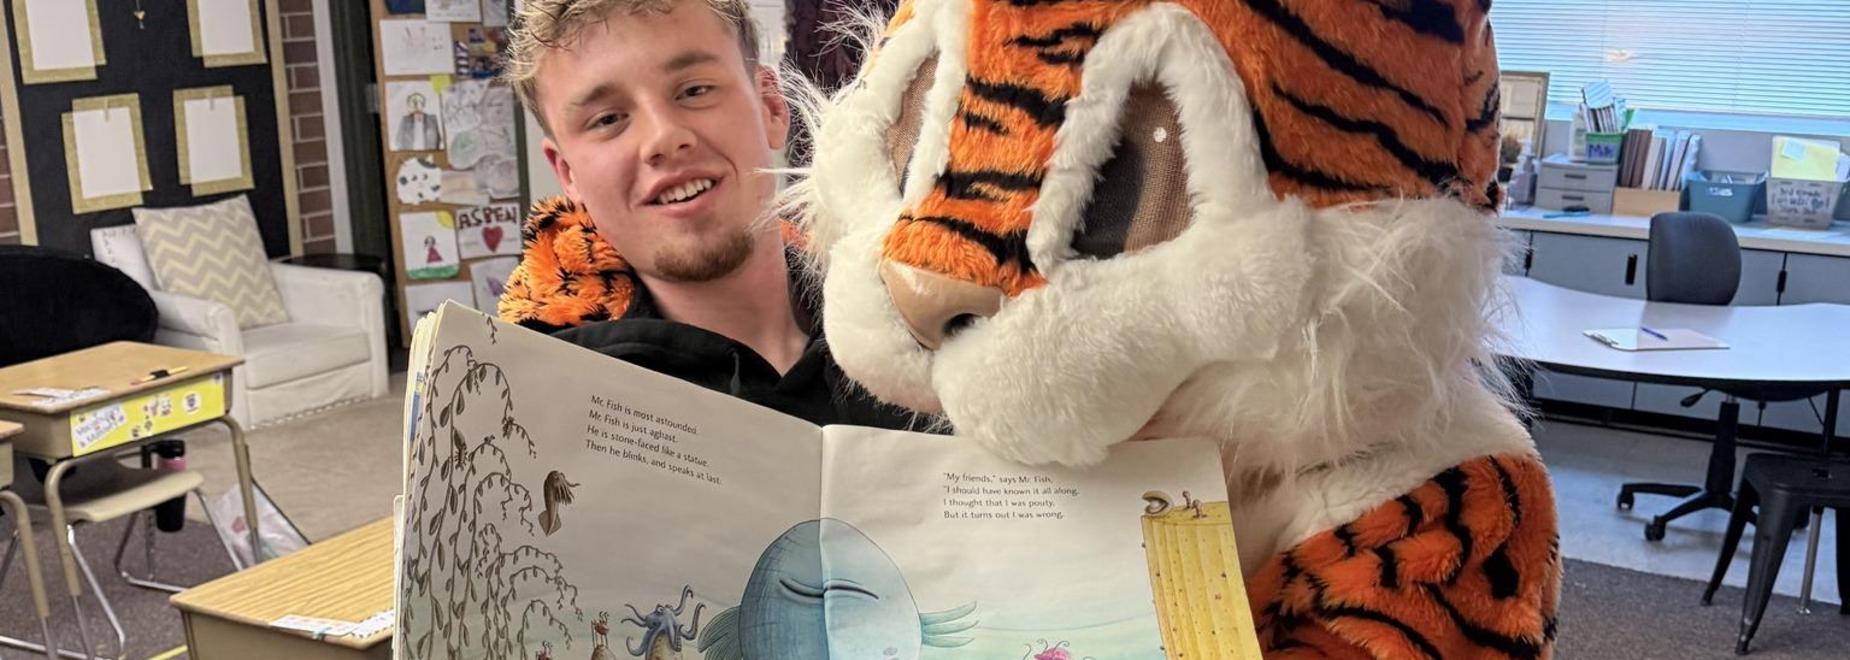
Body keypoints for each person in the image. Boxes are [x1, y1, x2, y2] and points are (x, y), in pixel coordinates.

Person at [500, 0, 918, 430]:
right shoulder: (536, 414)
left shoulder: (934, 331)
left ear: (771, 107)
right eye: (608, 119)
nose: (663, 137)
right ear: (567, 174)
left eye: (694, 91)